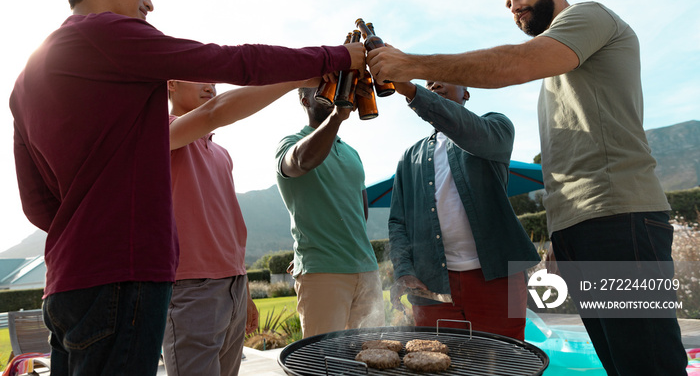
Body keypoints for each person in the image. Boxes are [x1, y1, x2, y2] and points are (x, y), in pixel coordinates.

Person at [9, 0, 364, 376]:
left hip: (64, 284)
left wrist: (87, 229)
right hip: (126, 274)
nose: (148, 3)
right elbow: (237, 62)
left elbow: (38, 205)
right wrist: (335, 58)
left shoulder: (24, 82)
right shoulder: (108, 35)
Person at [367, 0, 686, 375]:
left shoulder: (589, 17)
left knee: (649, 364)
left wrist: (411, 65)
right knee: (622, 362)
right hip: (585, 228)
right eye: (507, 3)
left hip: (620, 221)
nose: (514, 7)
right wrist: (560, 231)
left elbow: (514, 64)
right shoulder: (558, 71)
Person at [164, 79, 313, 375]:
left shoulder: (222, 154)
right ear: (172, 84)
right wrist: (298, 75)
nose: (210, 87)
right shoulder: (159, 132)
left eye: (214, 81)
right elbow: (215, 112)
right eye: (201, 78)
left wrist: (243, 289)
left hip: (232, 286)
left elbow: (230, 226)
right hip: (190, 288)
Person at [388, 80, 540, 340]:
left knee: (509, 361)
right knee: (437, 363)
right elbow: (398, 222)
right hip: (430, 286)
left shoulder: (496, 127)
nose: (434, 82)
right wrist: (403, 269)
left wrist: (415, 93)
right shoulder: (408, 157)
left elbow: (471, 131)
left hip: (498, 279)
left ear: (467, 92)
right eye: (427, 82)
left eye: (445, 75)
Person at [275, 87, 385, 338]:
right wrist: (337, 116)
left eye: (334, 85)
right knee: (323, 362)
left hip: (367, 270)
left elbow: (360, 211)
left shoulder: (352, 152)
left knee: (374, 357)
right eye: (321, 88)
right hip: (322, 272)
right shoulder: (290, 143)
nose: (332, 91)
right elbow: (302, 161)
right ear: (304, 100)